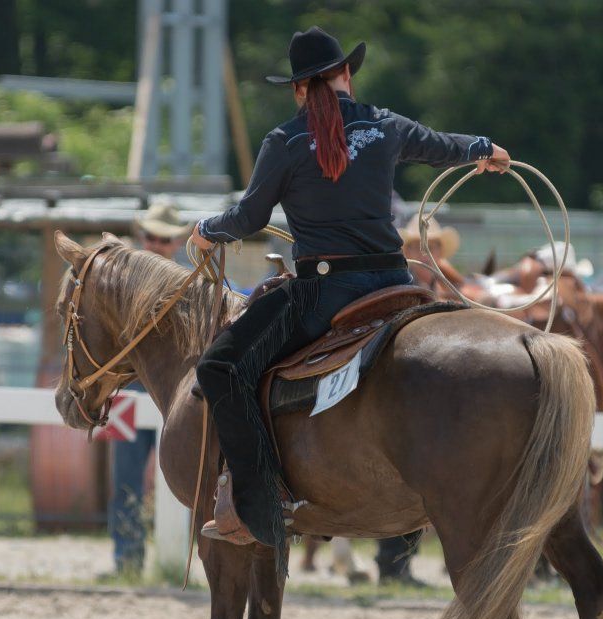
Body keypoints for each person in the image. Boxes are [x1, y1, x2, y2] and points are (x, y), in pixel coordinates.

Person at [190, 27, 509, 570]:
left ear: (298, 89)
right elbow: (441, 146)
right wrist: (487, 149)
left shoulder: (285, 142)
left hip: (323, 293)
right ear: (346, 75)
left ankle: (254, 502)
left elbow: (249, 219)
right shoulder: (385, 126)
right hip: (394, 286)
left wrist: (204, 229)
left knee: (220, 367)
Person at [104, 203, 192, 580]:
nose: (157, 244)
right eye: (152, 237)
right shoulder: (123, 283)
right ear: (143, 238)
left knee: (187, 481)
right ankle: (128, 561)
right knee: (125, 476)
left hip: (173, 397)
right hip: (131, 395)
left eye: (164, 238)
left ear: (176, 242)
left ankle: (183, 561)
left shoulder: (189, 285)